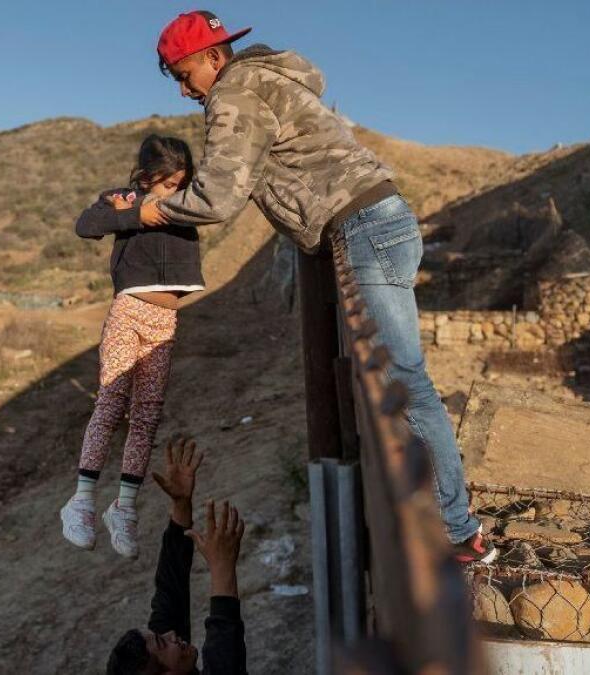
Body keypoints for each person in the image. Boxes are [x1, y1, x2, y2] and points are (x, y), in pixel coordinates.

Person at [140, 11, 495, 563]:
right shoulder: (268, 82)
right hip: (378, 220)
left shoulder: (233, 94)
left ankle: (457, 531)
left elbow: (219, 198)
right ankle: (438, 516)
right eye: (175, 80)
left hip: (364, 229)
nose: (185, 91)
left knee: (405, 381)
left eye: (184, 74)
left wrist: (150, 210)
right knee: (392, 380)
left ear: (214, 57)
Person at [60, 135, 206, 559]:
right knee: (110, 402)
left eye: (181, 182)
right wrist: (136, 214)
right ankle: (81, 500)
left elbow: (220, 198)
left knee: (146, 415)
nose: (173, 192)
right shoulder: (125, 199)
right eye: (166, 183)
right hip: (128, 311)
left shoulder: (190, 204)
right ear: (146, 178)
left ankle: (123, 508)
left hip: (165, 320)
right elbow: (86, 225)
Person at [106, 438, 248, 675]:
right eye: (163, 642)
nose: (171, 634)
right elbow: (225, 658)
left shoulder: (164, 658)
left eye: (161, 636)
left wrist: (181, 505)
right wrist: (222, 567)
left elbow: (170, 589)